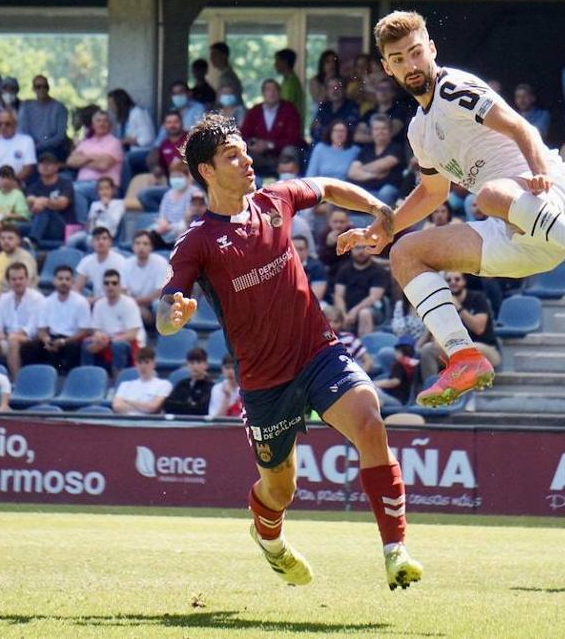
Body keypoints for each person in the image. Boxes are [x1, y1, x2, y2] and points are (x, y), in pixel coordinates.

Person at [158, 112, 422, 590]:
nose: (245, 161)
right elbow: (165, 305)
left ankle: (395, 550)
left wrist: (376, 207)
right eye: (230, 156)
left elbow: (325, 186)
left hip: (317, 352)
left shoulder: (275, 200)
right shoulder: (197, 241)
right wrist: (171, 317)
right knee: (281, 489)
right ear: (206, 172)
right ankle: (270, 539)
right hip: (264, 381)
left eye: (244, 150)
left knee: (368, 416)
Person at [343, 11, 565, 408]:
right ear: (387, 68)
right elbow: (432, 193)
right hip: (517, 232)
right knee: (405, 254)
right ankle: (464, 357)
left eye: (416, 53)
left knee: (486, 196)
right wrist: (385, 228)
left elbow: (521, 128)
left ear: (431, 48)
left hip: (554, 198)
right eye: (399, 59)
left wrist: (538, 175)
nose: (411, 65)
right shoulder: (418, 130)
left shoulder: (454, 88)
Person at [0, 261, 42, 381]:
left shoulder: (37, 299)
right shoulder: (4, 299)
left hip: (31, 341)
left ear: (27, 279)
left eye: (21, 278)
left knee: (13, 340)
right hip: (7, 338)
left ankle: (16, 381)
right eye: (14, 279)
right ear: (9, 281)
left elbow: (30, 330)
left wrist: (5, 336)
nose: (17, 282)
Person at [20, 265, 91, 374]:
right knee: (30, 347)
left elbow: (83, 331)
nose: (63, 282)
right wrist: (47, 340)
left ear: (72, 282)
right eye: (60, 279)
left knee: (73, 348)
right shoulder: (46, 302)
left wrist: (63, 341)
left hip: (71, 340)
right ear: (54, 281)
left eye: (67, 279)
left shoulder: (81, 302)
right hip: (52, 339)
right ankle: (32, 376)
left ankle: (66, 379)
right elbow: (41, 329)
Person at [84, 268, 146, 371]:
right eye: (107, 283)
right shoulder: (99, 304)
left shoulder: (129, 304)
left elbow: (132, 334)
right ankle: (88, 376)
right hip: (106, 341)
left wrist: (109, 341)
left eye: (114, 283)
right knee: (86, 344)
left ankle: (117, 380)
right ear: (103, 286)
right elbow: (96, 329)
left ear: (120, 285)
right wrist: (98, 337)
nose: (110, 286)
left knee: (118, 345)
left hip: (127, 342)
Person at [240, 78, 303, 178]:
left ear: (279, 92)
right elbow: (244, 134)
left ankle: (287, 187)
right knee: (243, 154)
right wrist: (253, 143)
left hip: (282, 153)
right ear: (263, 93)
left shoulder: (289, 109)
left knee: (290, 151)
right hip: (259, 154)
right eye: (268, 90)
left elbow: (294, 138)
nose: (271, 93)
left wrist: (270, 145)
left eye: (274, 90)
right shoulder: (255, 111)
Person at [67, 109, 123, 219]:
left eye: (105, 121)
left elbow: (104, 165)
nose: (102, 123)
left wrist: (84, 158)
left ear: (110, 125)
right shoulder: (86, 142)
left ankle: (83, 226)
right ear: (93, 125)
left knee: (75, 190)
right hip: (82, 183)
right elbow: (70, 161)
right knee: (65, 189)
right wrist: (95, 157)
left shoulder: (114, 142)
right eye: (98, 121)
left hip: (105, 186)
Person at [23, 151, 74, 246]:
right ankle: (31, 241)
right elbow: (29, 200)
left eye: (49, 163)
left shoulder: (65, 183)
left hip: (59, 225)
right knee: (12, 228)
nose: (44, 166)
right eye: (42, 163)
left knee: (45, 210)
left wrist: (45, 202)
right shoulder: (34, 185)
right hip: (38, 224)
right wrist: (38, 201)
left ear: (56, 166)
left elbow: (62, 203)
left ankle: (33, 241)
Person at [124, 229, 171, 328]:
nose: (141, 247)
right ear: (132, 247)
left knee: (158, 304)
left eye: (145, 244)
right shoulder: (126, 264)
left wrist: (135, 303)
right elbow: (122, 290)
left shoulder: (160, 263)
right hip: (134, 304)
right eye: (138, 243)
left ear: (151, 247)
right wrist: (133, 304)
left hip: (152, 304)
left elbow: (159, 292)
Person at [18, 76, 69, 161]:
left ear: (48, 88)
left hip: (52, 149)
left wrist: (41, 145)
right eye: (38, 87)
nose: (42, 89)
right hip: (29, 149)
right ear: (33, 89)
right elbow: (23, 129)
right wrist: (30, 145)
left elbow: (60, 135)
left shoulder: (59, 108)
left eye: (45, 86)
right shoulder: (27, 107)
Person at [112, 347, 172, 415]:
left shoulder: (164, 385)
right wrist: (143, 407)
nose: (143, 366)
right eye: (139, 362)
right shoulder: (125, 385)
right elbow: (116, 406)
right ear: (136, 364)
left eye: (146, 362)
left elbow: (152, 407)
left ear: (153, 363)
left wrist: (127, 401)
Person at [74, 226, 127, 295]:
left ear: (110, 242)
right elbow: (76, 288)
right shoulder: (86, 261)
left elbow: (123, 291)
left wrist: (95, 300)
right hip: (96, 302)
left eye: (104, 239)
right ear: (92, 242)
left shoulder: (120, 261)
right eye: (97, 239)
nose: (101, 242)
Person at [162, 347, 214, 416]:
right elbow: (168, 406)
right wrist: (191, 405)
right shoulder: (182, 384)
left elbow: (202, 410)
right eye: (192, 363)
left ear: (206, 365)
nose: (195, 366)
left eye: (198, 362)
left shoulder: (211, 387)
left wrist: (182, 405)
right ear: (187, 365)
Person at [274, 49, 305, 119]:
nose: (275, 64)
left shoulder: (291, 83)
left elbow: (285, 107)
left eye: (277, 61)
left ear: (285, 62)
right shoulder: (287, 80)